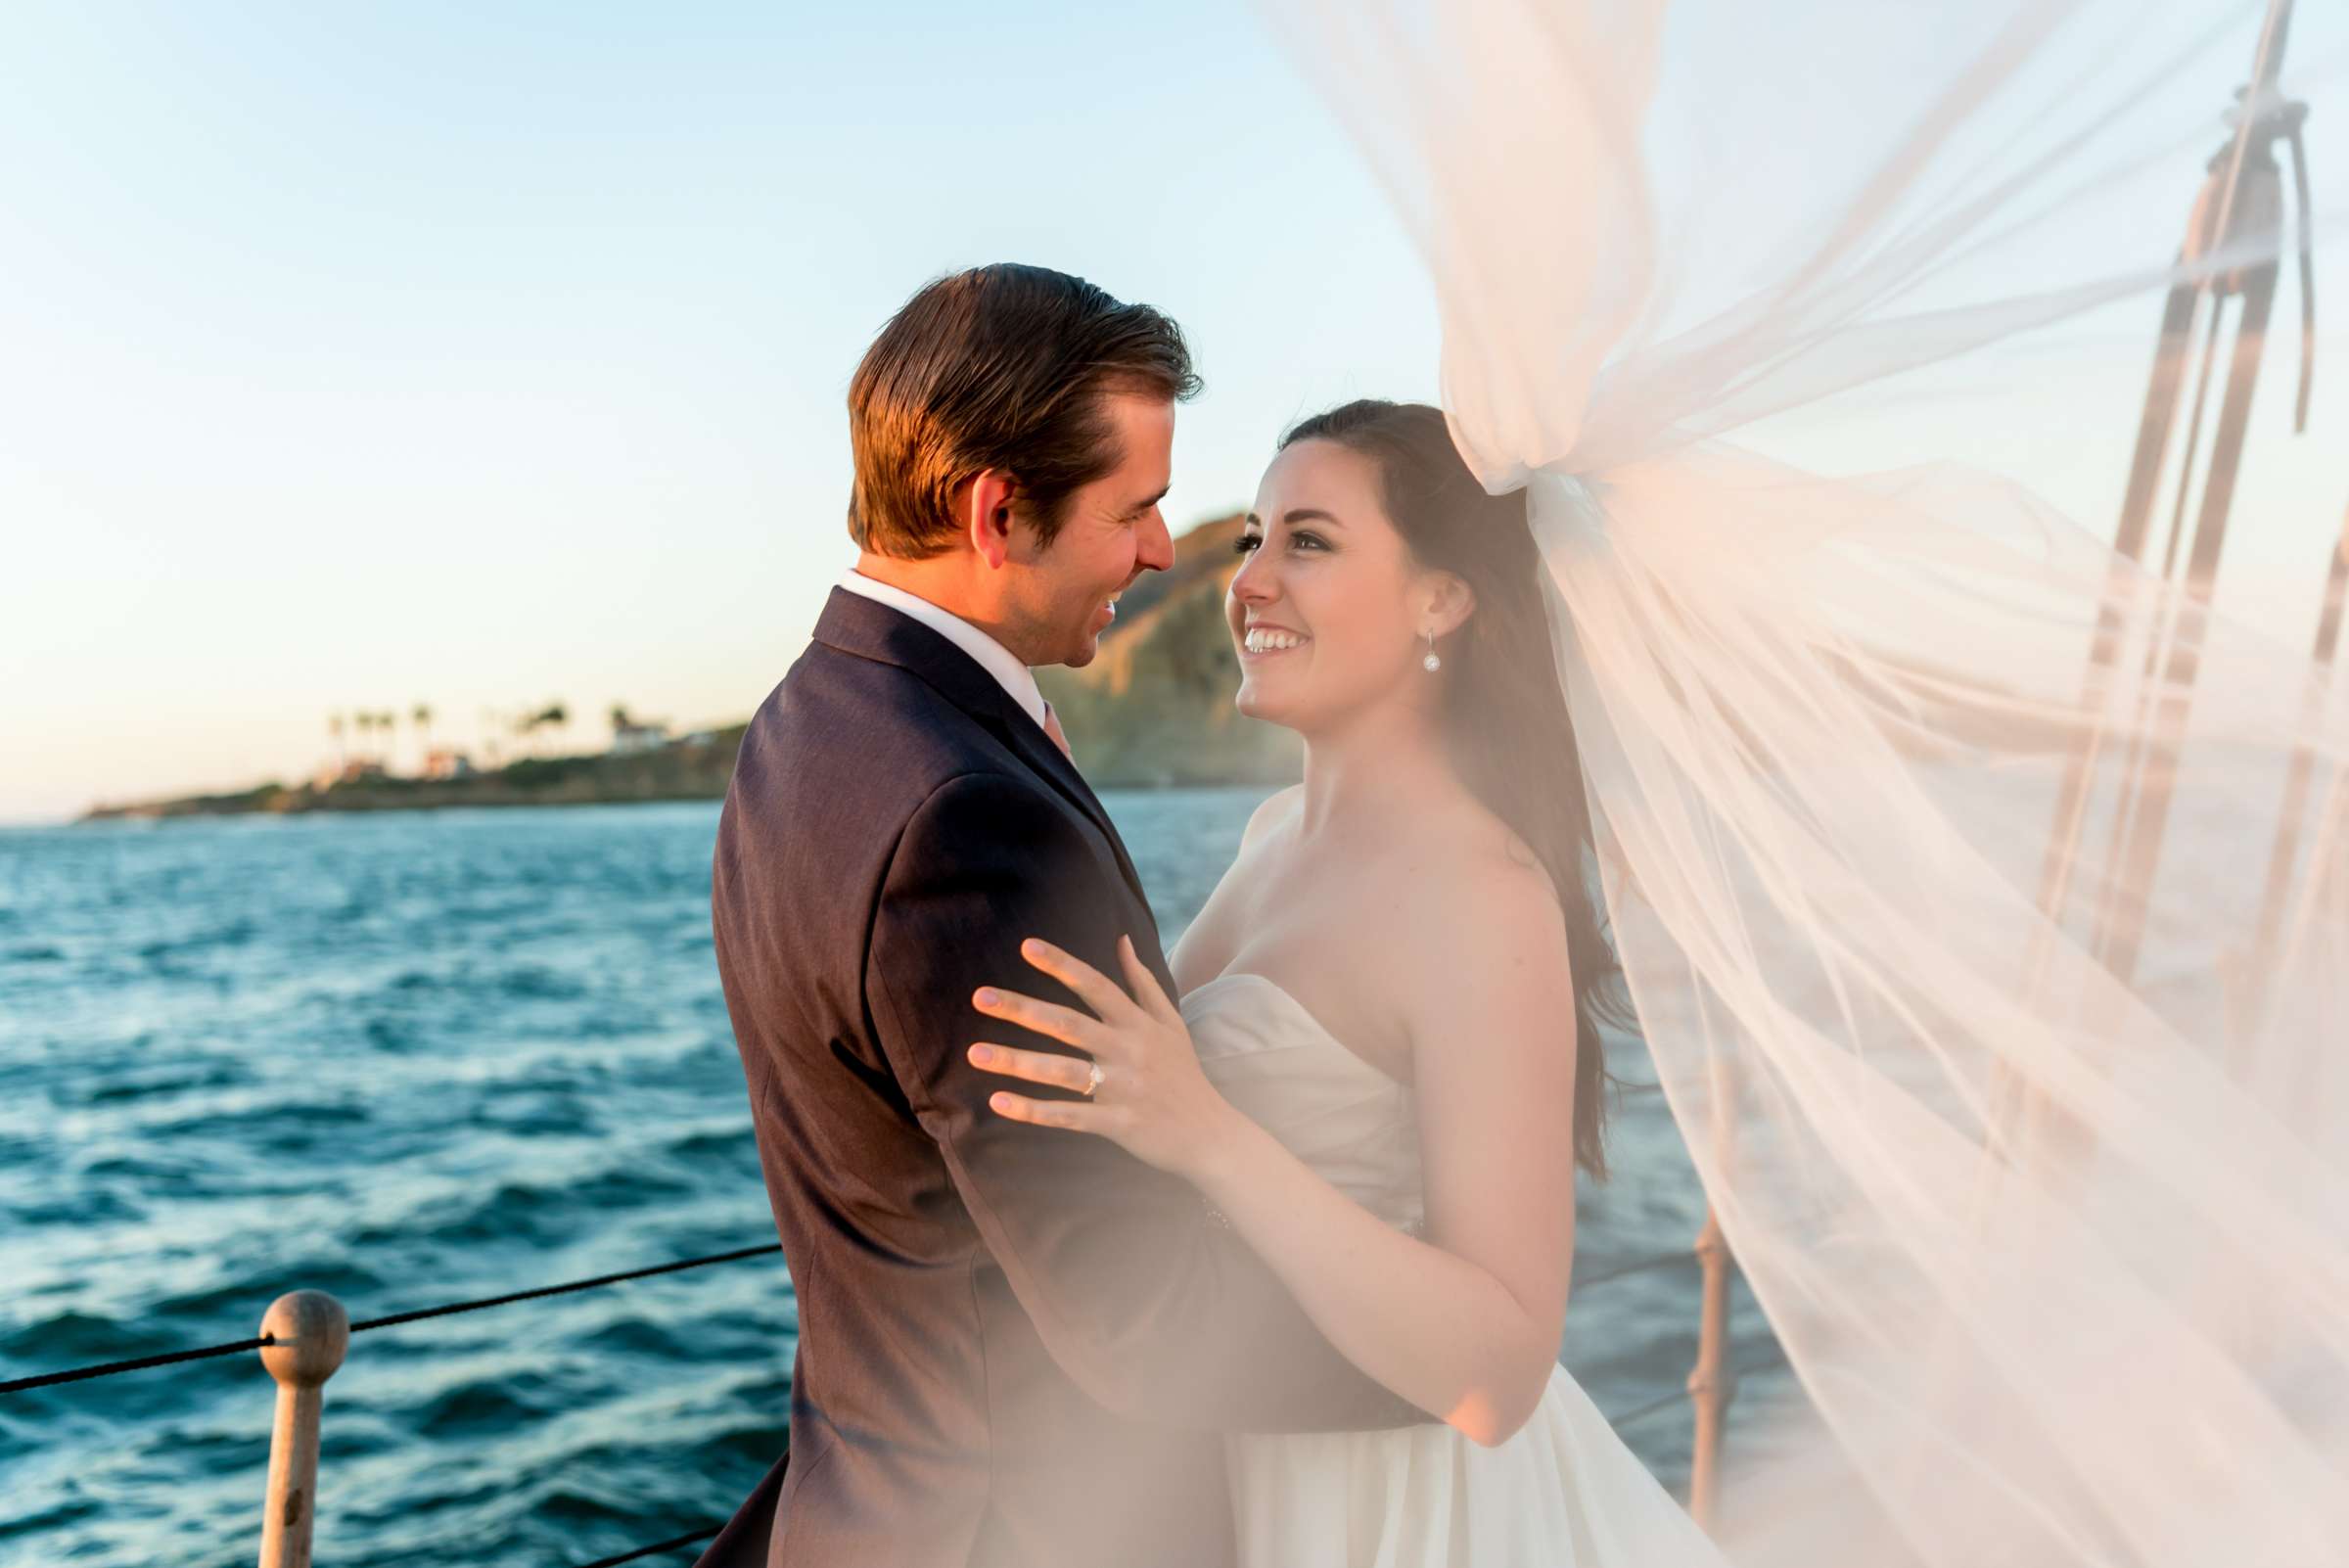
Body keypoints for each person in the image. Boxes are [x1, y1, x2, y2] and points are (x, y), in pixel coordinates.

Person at [695, 264, 1427, 1568]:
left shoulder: (810, 723)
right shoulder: (964, 819)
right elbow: (1138, 1317)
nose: (1160, 550)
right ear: (997, 510)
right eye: (1134, 507)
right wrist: (1457, 1361)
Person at [970, 399, 1732, 1566]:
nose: (1251, 582)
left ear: (1443, 598)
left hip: (1403, 1509)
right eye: (1254, 541)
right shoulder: (1276, 835)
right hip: (1232, 1460)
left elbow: (1499, 1372)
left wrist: (1212, 1137)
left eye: (1309, 542)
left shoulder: (1480, 896)